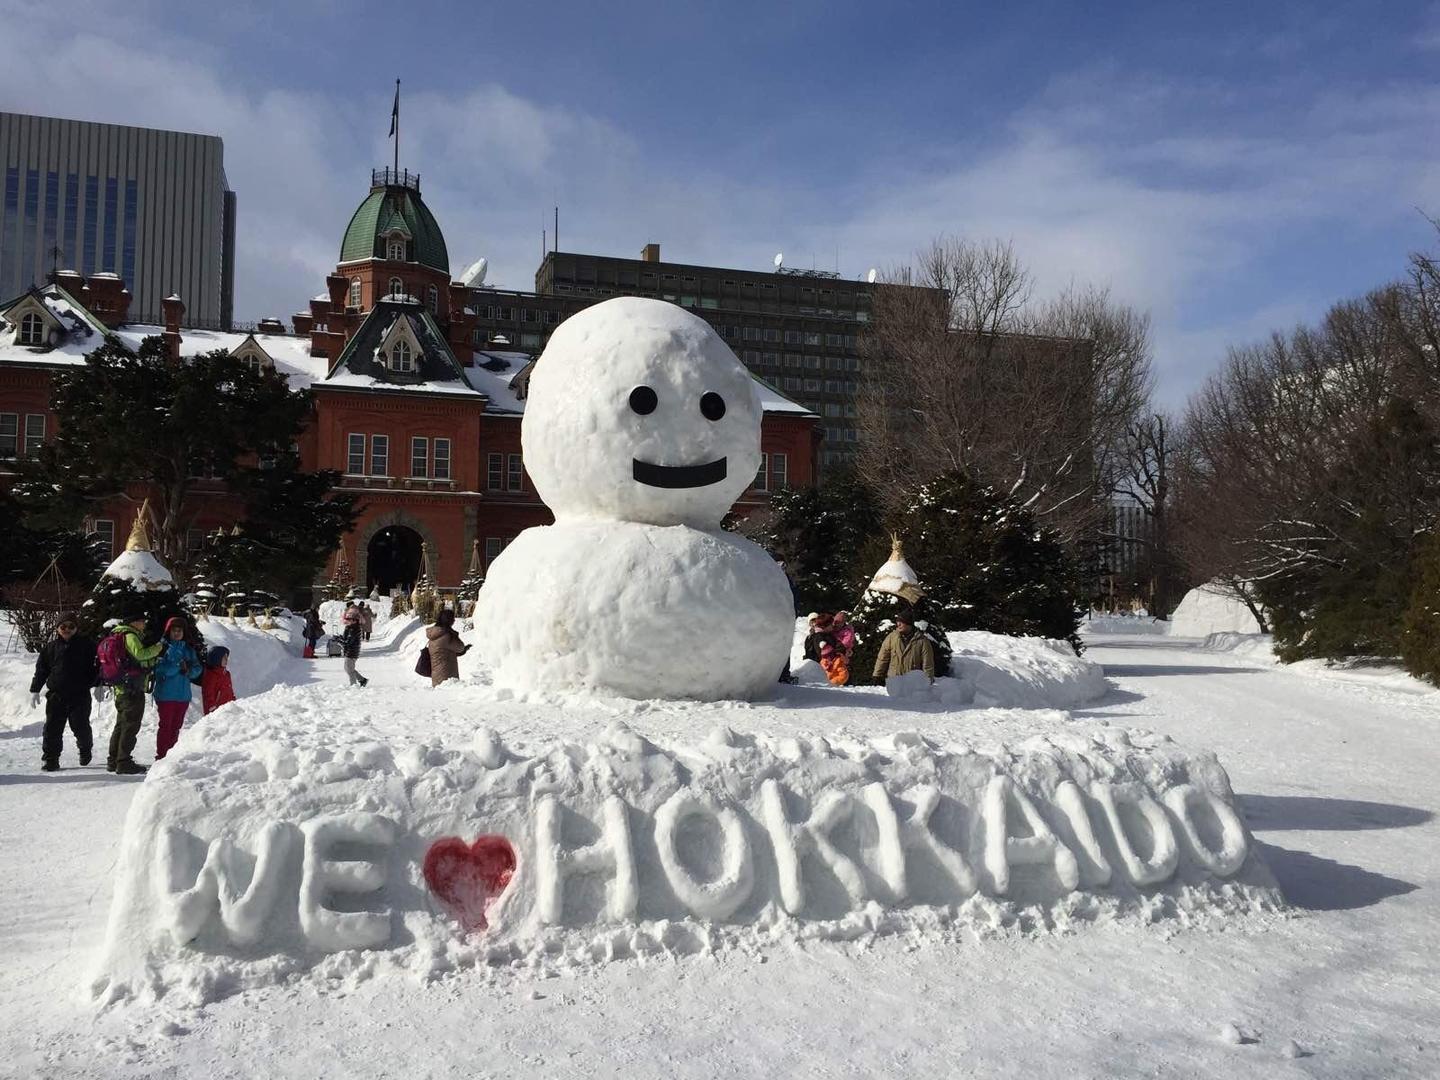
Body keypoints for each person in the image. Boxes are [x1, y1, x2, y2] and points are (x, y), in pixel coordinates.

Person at [29, 613, 98, 772]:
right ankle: (51, 759)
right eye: (63, 627)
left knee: (80, 726)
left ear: (76, 628)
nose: (67, 630)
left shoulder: (87, 645)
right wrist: (35, 689)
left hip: (80, 694)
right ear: (57, 628)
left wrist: (99, 685)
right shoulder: (50, 647)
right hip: (56, 695)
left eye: (71, 626)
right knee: (52, 728)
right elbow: (41, 670)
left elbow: (96, 667)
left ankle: (85, 749)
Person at [106, 612, 164, 775]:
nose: (144, 623)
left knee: (121, 724)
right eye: (141, 620)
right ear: (134, 622)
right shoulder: (130, 636)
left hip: (121, 687)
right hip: (131, 688)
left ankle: (113, 760)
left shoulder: (118, 634)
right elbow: (140, 654)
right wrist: (157, 648)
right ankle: (123, 761)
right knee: (130, 725)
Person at [152, 616, 202, 760]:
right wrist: (177, 667)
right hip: (166, 694)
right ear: (169, 631)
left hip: (183, 695)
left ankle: (171, 757)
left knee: (176, 727)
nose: (177, 633)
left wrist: (189, 671)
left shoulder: (188, 649)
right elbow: (159, 670)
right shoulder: (162, 648)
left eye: (180, 630)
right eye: (174, 630)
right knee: (165, 727)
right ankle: (161, 756)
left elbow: (197, 669)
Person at [872, 611, 936, 683]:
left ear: (909, 624)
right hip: (894, 681)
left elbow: (928, 664)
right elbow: (882, 658)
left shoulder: (922, 641)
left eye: (901, 622)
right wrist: (877, 675)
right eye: (897, 621)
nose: (898, 624)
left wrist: (928, 681)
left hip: (913, 683)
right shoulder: (892, 638)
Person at [426, 609, 471, 686]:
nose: (454, 620)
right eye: (452, 618)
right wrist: (455, 635)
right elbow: (460, 647)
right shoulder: (446, 635)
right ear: (448, 620)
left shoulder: (435, 634)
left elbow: (445, 651)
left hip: (437, 675)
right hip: (447, 676)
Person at [201, 646, 237, 714]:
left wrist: (233, 701)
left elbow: (229, 690)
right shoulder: (211, 676)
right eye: (224, 658)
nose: (227, 660)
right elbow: (208, 695)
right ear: (216, 659)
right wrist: (212, 709)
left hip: (228, 709)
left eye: (227, 657)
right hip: (217, 712)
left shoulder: (226, 674)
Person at [341, 605, 368, 687]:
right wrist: (340, 638)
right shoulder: (350, 627)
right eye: (347, 619)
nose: (347, 621)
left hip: (352, 651)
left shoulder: (354, 629)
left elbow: (349, 641)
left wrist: (341, 641)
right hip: (350, 650)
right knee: (348, 668)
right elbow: (346, 638)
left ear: (354, 620)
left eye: (349, 619)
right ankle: (362, 680)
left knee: (349, 669)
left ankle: (353, 685)